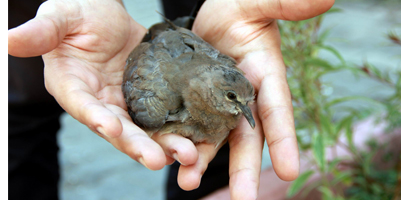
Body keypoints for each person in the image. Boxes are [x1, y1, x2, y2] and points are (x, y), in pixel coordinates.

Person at [8, 0, 335, 199]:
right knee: (24, 104)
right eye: (236, 99)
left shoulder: (223, 78)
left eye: (243, 101)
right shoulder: (160, 103)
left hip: (186, 41)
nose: (245, 110)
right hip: (162, 51)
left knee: (217, 153)